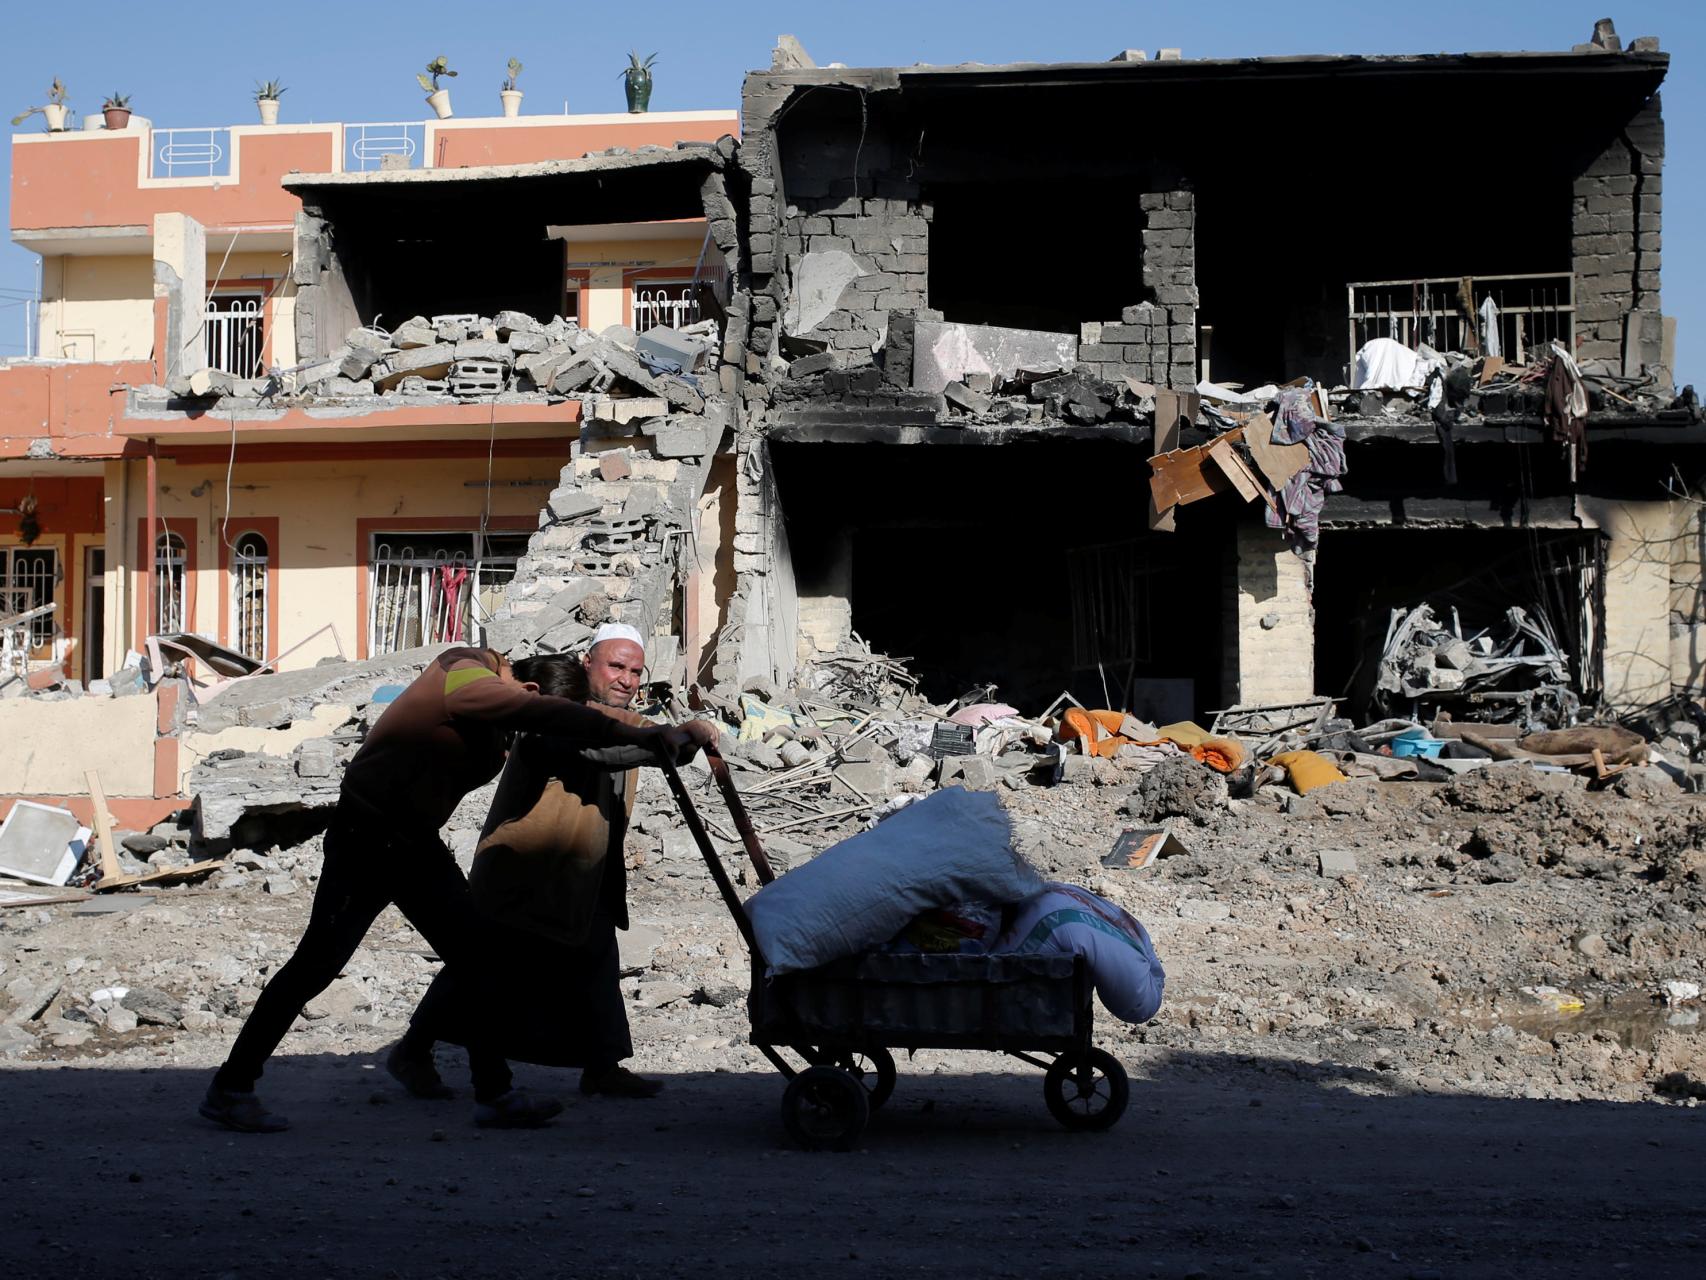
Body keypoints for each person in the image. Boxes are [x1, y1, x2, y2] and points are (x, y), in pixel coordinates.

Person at [200, 645, 690, 1134]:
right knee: (316, 965)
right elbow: (543, 714)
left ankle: (495, 1094)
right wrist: (631, 732)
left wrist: (660, 736)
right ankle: (231, 1088)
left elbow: (569, 726)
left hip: (413, 844)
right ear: (533, 690)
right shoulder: (464, 671)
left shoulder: (502, 722)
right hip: (367, 838)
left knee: (478, 959)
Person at [396, 623, 716, 1100]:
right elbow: (606, 747)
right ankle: (414, 1051)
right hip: (525, 870)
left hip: (581, 873)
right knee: (483, 965)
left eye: (634, 670)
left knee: (596, 958)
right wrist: (665, 743)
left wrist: (686, 735)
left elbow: (643, 736)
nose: (627, 679)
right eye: (616, 666)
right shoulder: (551, 716)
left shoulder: (614, 718)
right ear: (587, 664)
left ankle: (601, 1065)